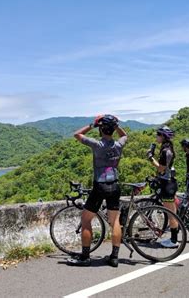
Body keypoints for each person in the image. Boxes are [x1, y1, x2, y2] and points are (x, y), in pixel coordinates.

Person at [67, 114, 128, 267]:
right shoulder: (119, 145)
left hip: (100, 186)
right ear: (113, 130)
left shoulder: (97, 144)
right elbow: (124, 135)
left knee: (86, 220)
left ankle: (85, 256)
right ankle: (114, 258)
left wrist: (93, 124)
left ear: (101, 129)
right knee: (115, 222)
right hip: (114, 185)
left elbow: (77, 134)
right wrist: (116, 125)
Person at [146, 126, 179, 248]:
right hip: (170, 182)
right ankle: (174, 238)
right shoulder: (167, 148)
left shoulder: (165, 151)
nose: (156, 137)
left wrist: (150, 157)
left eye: (158, 135)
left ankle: (174, 240)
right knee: (172, 212)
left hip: (167, 184)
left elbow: (161, 168)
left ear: (163, 136)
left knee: (171, 214)